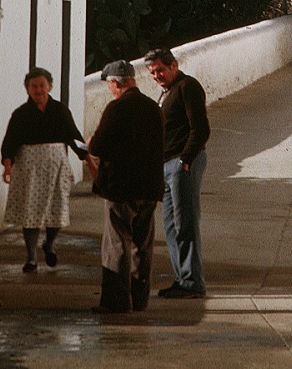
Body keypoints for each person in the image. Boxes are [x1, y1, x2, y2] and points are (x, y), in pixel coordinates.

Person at [87, 59, 165, 313]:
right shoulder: (153, 108)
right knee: (142, 246)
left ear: (115, 83)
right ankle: (140, 300)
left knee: (117, 245)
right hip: (149, 187)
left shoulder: (116, 109)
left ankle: (116, 302)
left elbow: (98, 147)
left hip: (121, 189)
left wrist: (90, 143)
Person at [1, 67, 87, 273]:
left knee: (56, 210)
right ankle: (31, 257)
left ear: (49, 86)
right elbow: (10, 141)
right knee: (30, 211)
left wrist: (87, 159)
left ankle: (49, 244)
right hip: (29, 169)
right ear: (28, 89)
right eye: (34, 86)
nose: (38, 90)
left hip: (56, 167)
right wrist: (7, 165)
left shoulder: (60, 110)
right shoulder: (21, 114)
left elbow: (73, 136)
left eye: (42, 85)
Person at [144, 47, 210, 298]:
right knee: (171, 225)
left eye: (160, 69)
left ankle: (193, 281)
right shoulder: (167, 92)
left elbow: (200, 128)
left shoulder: (187, 87)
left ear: (174, 66)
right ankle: (182, 278)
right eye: (152, 72)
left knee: (186, 223)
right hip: (168, 165)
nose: (157, 75)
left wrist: (186, 159)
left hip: (183, 164)